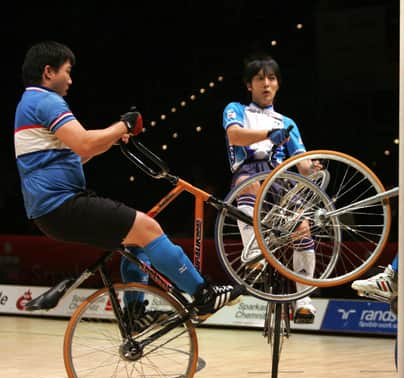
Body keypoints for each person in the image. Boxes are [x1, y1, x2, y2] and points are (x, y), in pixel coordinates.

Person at [14, 41, 243, 331]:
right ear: (48, 72)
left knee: (137, 243)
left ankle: (135, 315)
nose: (70, 80)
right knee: (148, 228)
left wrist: (112, 135)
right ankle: (203, 295)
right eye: (67, 72)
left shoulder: (28, 104)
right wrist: (124, 125)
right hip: (62, 206)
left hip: (51, 211)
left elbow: (80, 154)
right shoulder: (46, 101)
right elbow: (84, 142)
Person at [222, 55, 319, 324]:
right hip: (250, 170)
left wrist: (314, 167)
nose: (266, 83)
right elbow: (234, 135)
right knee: (248, 185)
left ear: (277, 84)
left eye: (271, 78)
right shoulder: (236, 109)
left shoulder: (287, 122)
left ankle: (304, 300)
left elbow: (303, 164)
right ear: (249, 85)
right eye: (259, 78)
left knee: (303, 226)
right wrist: (268, 135)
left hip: (280, 179)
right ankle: (254, 255)